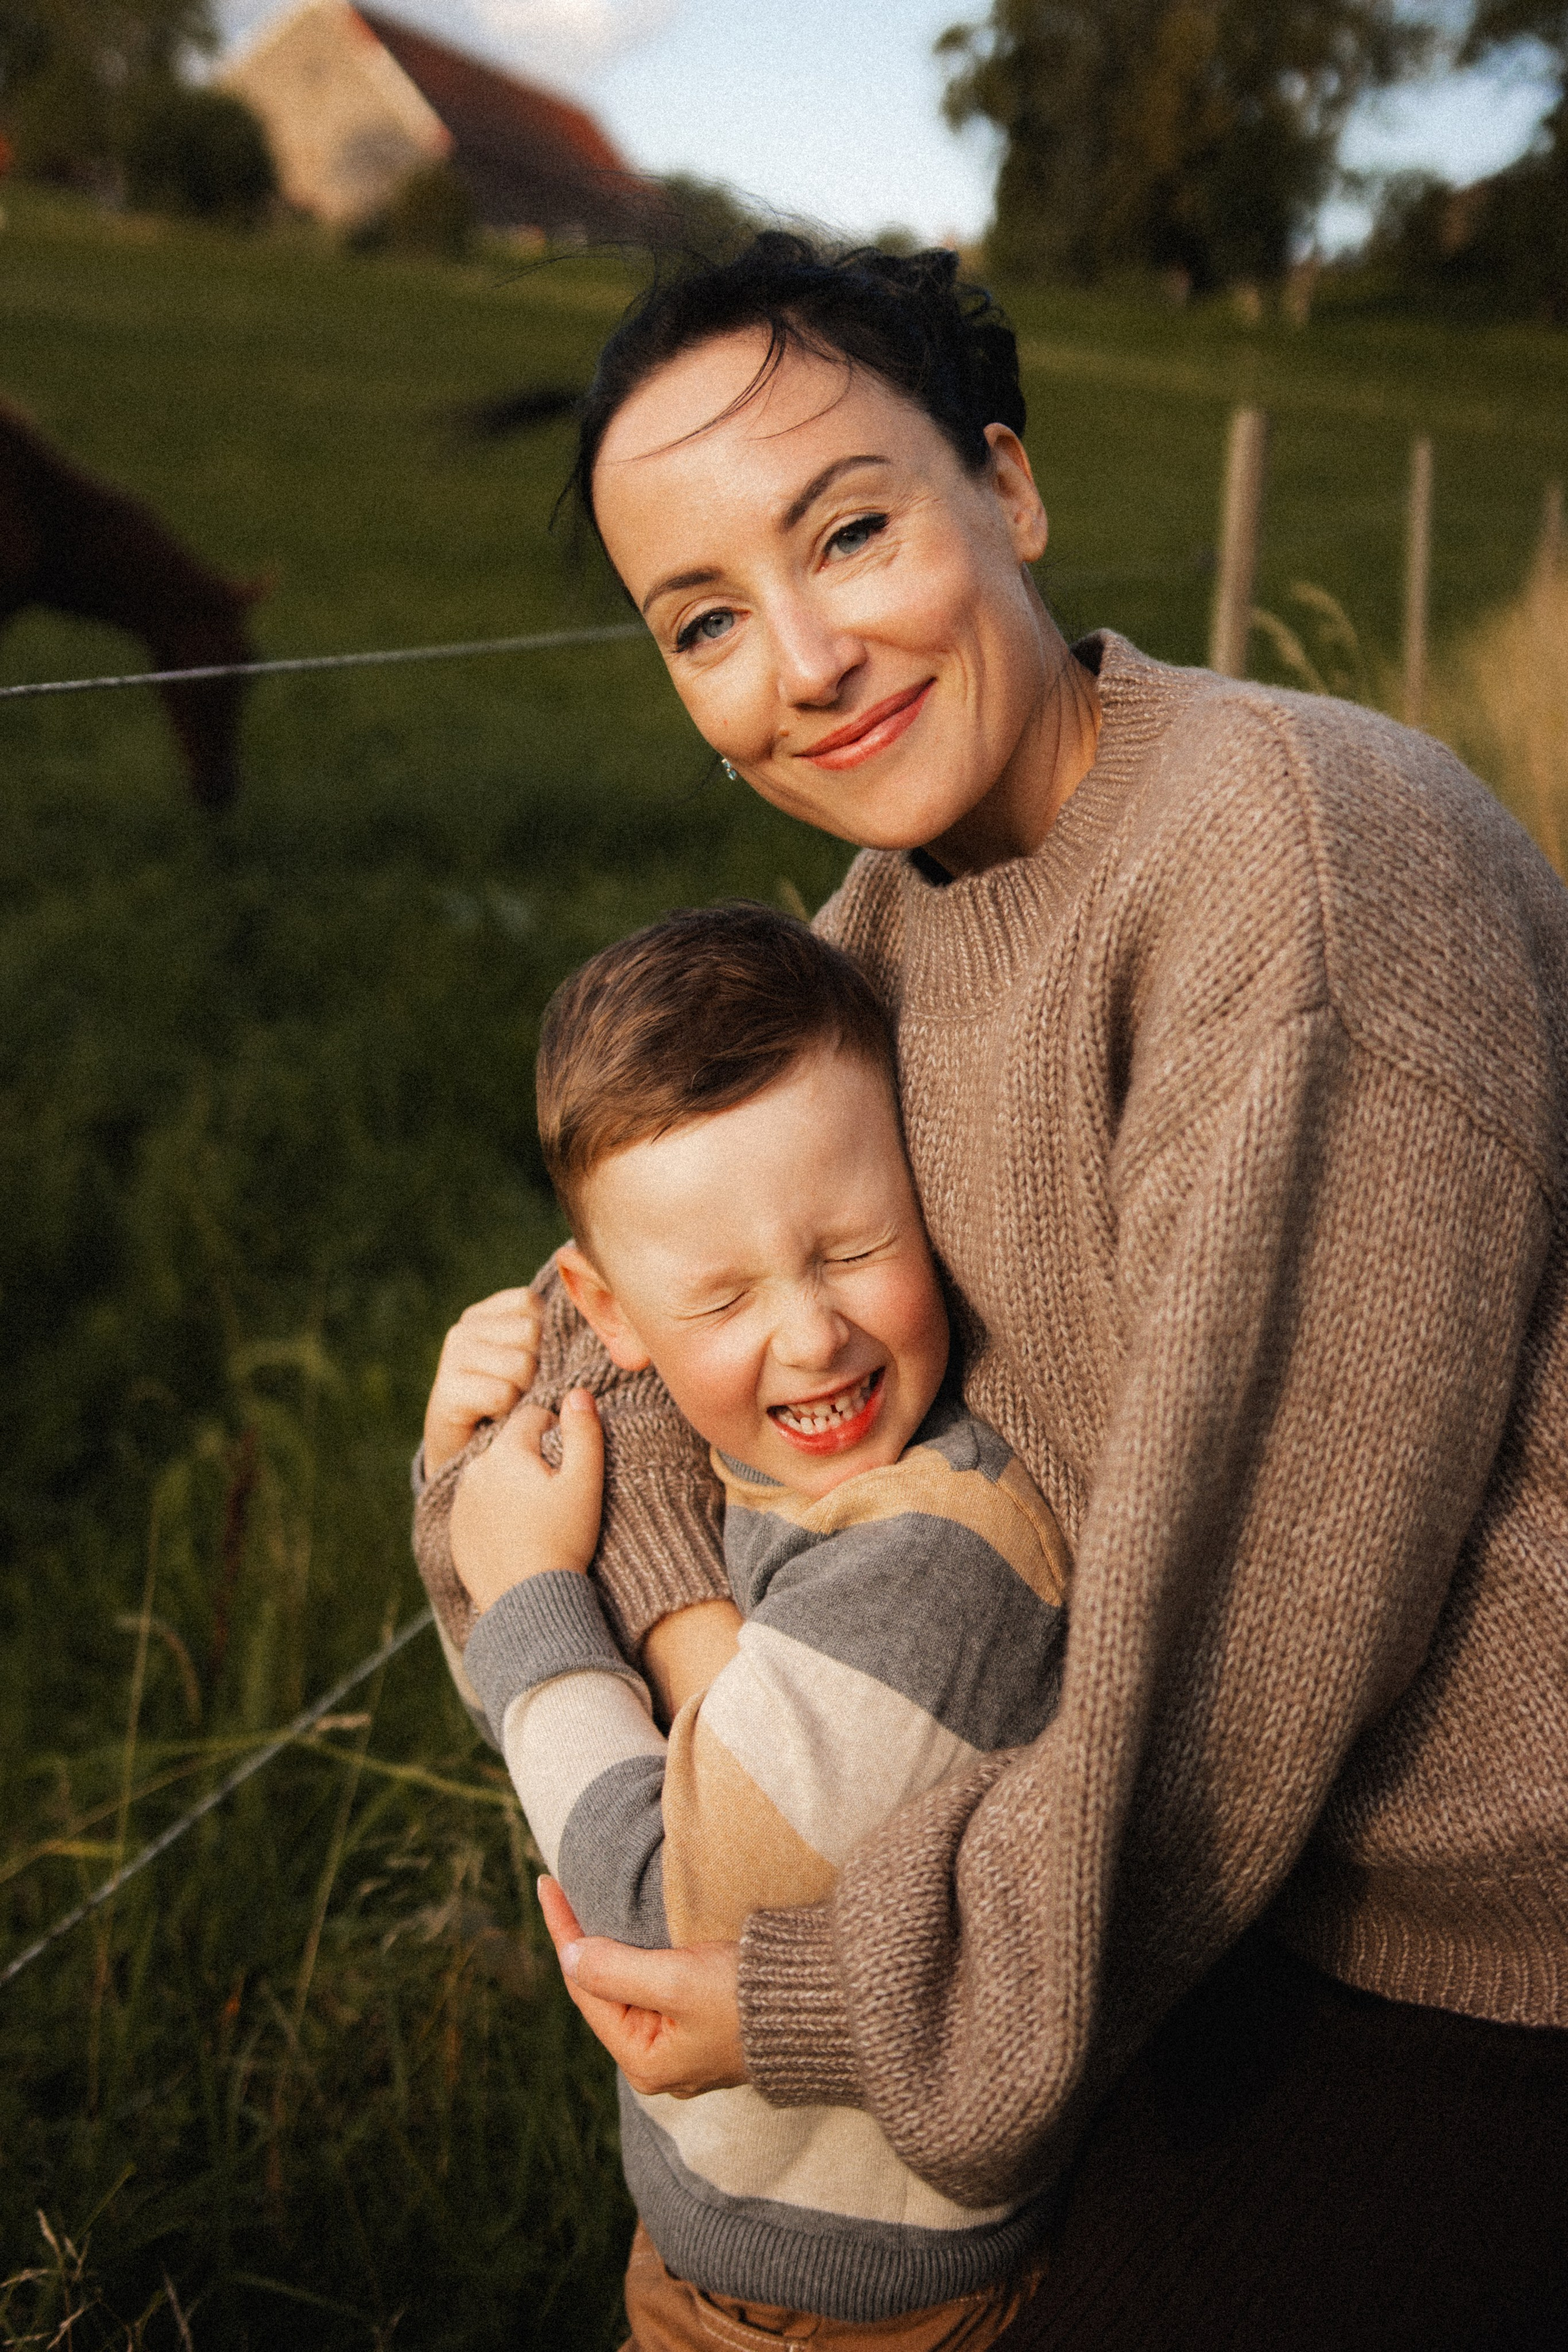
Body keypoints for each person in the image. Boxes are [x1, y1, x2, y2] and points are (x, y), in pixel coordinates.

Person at [415, 236, 1568, 2348]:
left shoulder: (1292, 877)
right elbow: (624, 1365)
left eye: (848, 530)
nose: (805, 660)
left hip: (1467, 1920)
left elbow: (1238, 1658)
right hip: (1143, 1876)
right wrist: (625, 1573)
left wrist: (833, 1991)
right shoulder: (883, 921)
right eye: (703, 621)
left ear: (1008, 493)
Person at [437, 902, 1070, 2350]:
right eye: (717, 1295)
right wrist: (465, 1491)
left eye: (854, 1248)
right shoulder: (724, 1463)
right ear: (611, 1310)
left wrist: (530, 1584)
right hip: (696, 2238)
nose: (808, 1335)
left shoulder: (931, 1559)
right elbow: (527, 1726)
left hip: (889, 2304)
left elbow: (664, 1919)